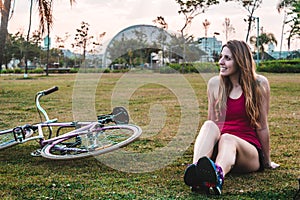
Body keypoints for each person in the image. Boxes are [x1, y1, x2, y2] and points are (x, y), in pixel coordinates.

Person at [183, 40, 279, 195]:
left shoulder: (259, 84)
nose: (221, 62)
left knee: (228, 138)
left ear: (240, 61)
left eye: (227, 58)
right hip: (222, 148)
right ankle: (198, 171)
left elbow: (262, 125)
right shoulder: (214, 84)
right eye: (221, 57)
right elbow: (213, 123)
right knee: (208, 125)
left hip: (248, 152)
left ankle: (217, 176)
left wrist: (267, 161)